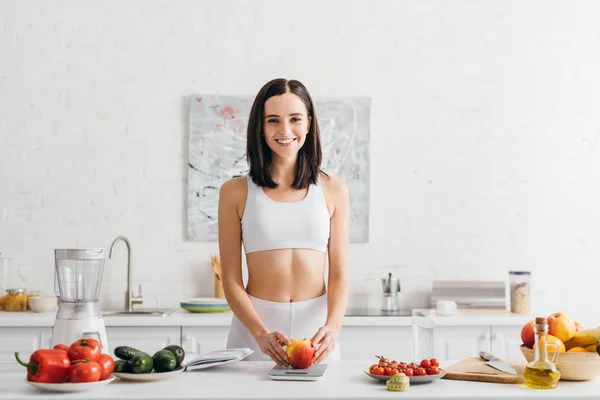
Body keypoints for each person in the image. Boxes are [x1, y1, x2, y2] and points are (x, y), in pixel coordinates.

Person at [218, 78, 349, 366]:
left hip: (317, 335)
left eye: (295, 119)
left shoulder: (334, 189)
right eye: (273, 120)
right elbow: (230, 280)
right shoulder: (235, 192)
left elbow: (339, 273)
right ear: (260, 127)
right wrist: (260, 333)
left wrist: (333, 326)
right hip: (254, 334)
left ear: (309, 123)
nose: (285, 131)